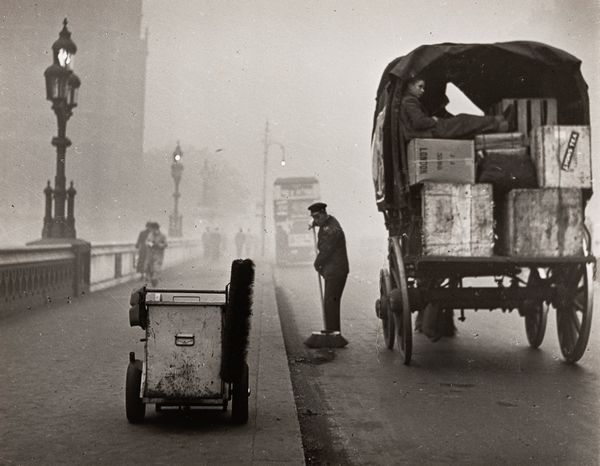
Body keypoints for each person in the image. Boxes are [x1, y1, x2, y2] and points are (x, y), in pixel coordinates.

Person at [399, 77, 515, 140]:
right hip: (429, 132)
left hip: (427, 132)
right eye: (420, 87)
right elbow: (419, 122)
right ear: (409, 85)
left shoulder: (407, 100)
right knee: (464, 120)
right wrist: (433, 120)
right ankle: (501, 123)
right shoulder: (409, 100)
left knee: (464, 123)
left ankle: (499, 122)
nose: (422, 90)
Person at [308, 202, 349, 333]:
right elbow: (321, 223)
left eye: (317, 217)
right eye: (314, 218)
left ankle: (332, 333)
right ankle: (333, 332)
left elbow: (326, 251)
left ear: (324, 214)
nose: (316, 220)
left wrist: (316, 263)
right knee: (331, 302)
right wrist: (313, 223)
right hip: (334, 270)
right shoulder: (328, 222)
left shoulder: (331, 230)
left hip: (336, 271)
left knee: (330, 303)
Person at [144, 222, 167, 287]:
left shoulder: (162, 236)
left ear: (156, 228)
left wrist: (159, 245)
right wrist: (151, 244)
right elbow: (146, 242)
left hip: (158, 254)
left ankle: (154, 279)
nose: (152, 230)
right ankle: (153, 279)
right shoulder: (150, 235)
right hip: (150, 254)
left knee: (156, 267)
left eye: (153, 228)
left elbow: (165, 244)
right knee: (150, 267)